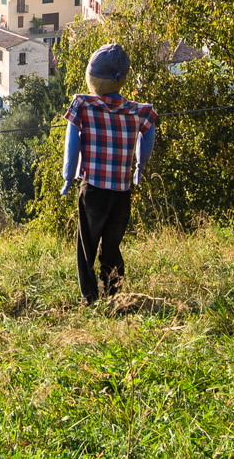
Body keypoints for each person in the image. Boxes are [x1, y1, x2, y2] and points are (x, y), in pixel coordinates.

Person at [60, 43, 159, 305]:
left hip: (93, 189)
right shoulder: (138, 110)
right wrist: (140, 166)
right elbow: (148, 135)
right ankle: (115, 294)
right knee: (111, 247)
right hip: (121, 193)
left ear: (93, 77)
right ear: (122, 79)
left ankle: (89, 298)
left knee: (86, 247)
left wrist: (68, 177)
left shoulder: (83, 104)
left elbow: (72, 143)